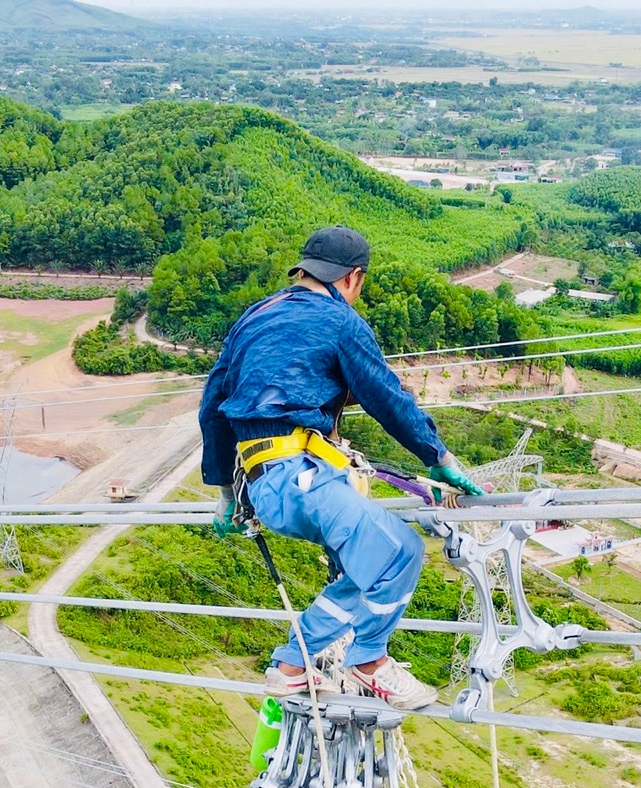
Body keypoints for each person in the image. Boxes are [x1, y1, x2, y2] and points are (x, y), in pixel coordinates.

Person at [199, 225, 483, 710]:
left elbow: (212, 407)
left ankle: (293, 666)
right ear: (353, 278)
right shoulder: (339, 320)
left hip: (265, 489)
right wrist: (439, 458)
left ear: (304, 270)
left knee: (365, 563)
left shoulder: (253, 317)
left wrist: (227, 493)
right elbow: (385, 396)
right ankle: (369, 661)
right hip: (304, 479)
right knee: (402, 552)